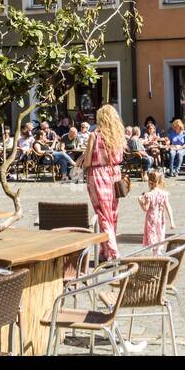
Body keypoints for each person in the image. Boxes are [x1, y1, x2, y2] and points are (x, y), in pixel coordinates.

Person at [81, 104, 125, 260]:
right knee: (112, 214)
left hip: (98, 175)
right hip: (114, 174)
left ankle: (113, 252)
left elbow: (87, 162)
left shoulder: (95, 135)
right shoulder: (118, 135)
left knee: (102, 215)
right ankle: (104, 251)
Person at [138, 169, 174, 252]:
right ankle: (158, 253)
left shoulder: (149, 195)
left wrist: (140, 201)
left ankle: (156, 256)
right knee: (160, 236)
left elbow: (145, 208)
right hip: (160, 218)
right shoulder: (164, 194)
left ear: (150, 181)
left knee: (153, 238)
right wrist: (172, 221)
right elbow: (168, 207)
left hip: (151, 219)